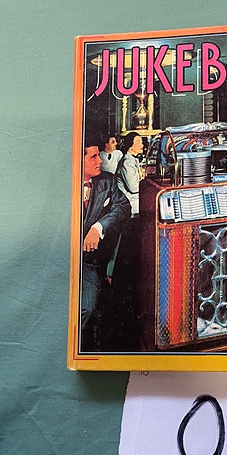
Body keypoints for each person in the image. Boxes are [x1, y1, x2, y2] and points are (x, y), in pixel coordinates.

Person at [81, 134, 131, 347]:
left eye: (98, 155)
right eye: (93, 157)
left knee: (88, 307)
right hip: (59, 262)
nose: (100, 160)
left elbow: (123, 207)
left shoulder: (107, 181)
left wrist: (98, 227)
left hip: (88, 263)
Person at [115, 132, 144, 217]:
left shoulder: (132, 159)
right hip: (130, 204)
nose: (142, 145)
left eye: (141, 142)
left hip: (135, 200)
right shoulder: (127, 162)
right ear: (130, 145)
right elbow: (134, 188)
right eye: (138, 142)